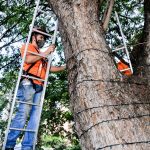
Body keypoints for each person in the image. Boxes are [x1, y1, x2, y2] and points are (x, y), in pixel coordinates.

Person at [5, 27, 66, 150]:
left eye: (44, 38)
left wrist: (65, 66)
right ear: (34, 36)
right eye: (41, 37)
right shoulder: (27, 47)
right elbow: (28, 59)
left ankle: (27, 146)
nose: (43, 40)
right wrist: (46, 52)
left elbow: (49, 69)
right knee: (23, 113)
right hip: (28, 83)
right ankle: (9, 145)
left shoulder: (41, 55)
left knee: (35, 117)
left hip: (40, 85)